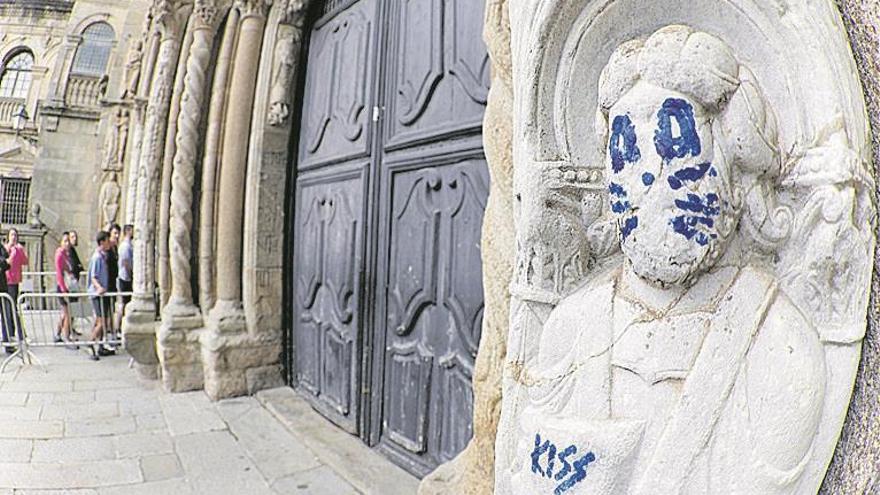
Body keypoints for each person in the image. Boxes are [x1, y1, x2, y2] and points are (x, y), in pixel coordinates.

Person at [511, 26, 824, 495]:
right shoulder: (572, 326)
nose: (648, 180)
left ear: (735, 172)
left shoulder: (780, 347)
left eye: (674, 147)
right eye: (626, 154)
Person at [87, 231, 113, 360]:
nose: (110, 243)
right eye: (108, 241)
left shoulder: (102, 256)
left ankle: (100, 345)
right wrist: (99, 287)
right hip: (97, 294)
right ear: (102, 242)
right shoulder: (97, 257)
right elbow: (93, 277)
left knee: (102, 320)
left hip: (102, 293)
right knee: (101, 321)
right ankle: (91, 342)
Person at [4, 228, 28, 347]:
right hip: (7, 282)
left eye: (15, 235)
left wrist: (21, 251)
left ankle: (17, 332)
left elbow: (25, 261)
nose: (14, 237)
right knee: (10, 308)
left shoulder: (19, 249)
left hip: (15, 281)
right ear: (8, 236)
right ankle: (15, 333)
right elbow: (8, 262)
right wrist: (12, 251)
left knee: (14, 307)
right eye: (12, 235)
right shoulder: (6, 249)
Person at [54, 232, 76, 348]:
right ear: (61, 242)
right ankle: (67, 338)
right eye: (65, 241)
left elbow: (68, 269)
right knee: (67, 313)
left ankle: (57, 334)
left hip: (67, 285)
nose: (67, 243)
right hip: (62, 287)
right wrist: (63, 290)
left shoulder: (66, 254)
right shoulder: (59, 254)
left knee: (64, 313)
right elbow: (59, 274)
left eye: (68, 241)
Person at [104, 224, 120, 348]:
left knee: (111, 310)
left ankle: (110, 336)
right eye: (114, 233)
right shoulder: (107, 251)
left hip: (113, 284)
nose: (117, 236)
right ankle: (103, 339)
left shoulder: (115, 249)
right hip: (107, 285)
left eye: (118, 233)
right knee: (105, 313)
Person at [116, 224, 133, 334]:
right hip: (125, 278)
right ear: (128, 231)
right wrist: (131, 275)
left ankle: (120, 326)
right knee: (124, 303)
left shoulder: (127, 245)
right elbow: (126, 262)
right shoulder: (126, 246)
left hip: (125, 277)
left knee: (125, 303)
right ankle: (119, 327)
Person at [68, 230, 84, 336]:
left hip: (75, 282)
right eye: (72, 237)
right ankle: (61, 332)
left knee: (73, 307)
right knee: (68, 310)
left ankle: (71, 327)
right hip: (71, 283)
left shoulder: (73, 250)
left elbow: (79, 265)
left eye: (75, 237)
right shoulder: (68, 251)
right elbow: (73, 266)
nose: (75, 239)